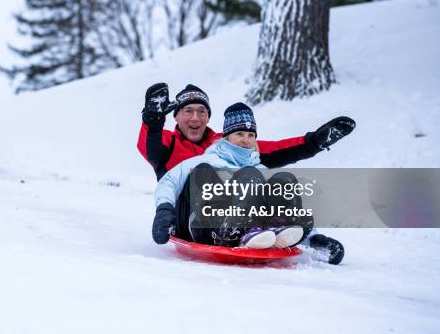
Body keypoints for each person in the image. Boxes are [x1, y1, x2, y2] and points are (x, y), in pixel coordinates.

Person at [151, 102, 354, 265]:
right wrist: (164, 211)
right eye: (239, 134)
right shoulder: (202, 161)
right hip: (202, 228)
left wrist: (313, 238)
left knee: (283, 180)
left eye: (250, 135)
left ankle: (284, 231)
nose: (245, 140)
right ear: (227, 137)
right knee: (214, 173)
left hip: (252, 230)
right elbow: (168, 182)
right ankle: (229, 231)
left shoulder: (259, 168)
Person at [138, 83, 354, 181]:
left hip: (229, 211)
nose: (195, 118)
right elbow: (151, 149)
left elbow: (273, 150)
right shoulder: (167, 141)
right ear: (175, 116)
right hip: (186, 215)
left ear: (208, 117)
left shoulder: (225, 142)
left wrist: (313, 143)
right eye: (188, 111)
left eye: (201, 111)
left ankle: (306, 235)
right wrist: (153, 122)